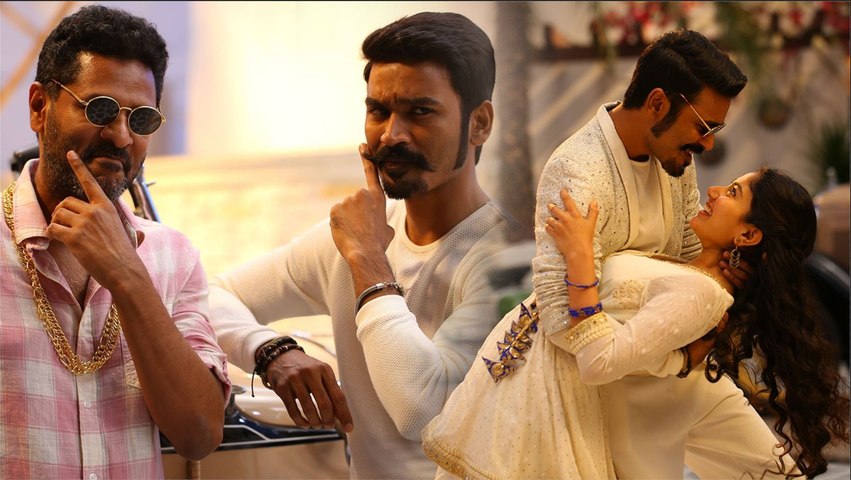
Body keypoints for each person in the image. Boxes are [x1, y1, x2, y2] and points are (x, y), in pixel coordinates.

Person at [208, 12, 512, 479]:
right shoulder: (349, 238)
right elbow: (208, 294)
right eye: (378, 111)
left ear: (480, 123)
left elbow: (422, 412)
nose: (391, 135)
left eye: (420, 112)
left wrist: (369, 260)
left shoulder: (509, 263)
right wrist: (270, 351)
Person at [423, 168, 849, 479]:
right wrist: (679, 360)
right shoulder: (684, 267)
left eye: (733, 192)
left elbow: (598, 360)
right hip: (595, 410)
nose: (715, 190)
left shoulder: (702, 292)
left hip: (629, 410)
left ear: (749, 235)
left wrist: (580, 258)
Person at [0, 6, 231, 478]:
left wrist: (128, 276)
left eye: (141, 119)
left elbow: (199, 435)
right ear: (40, 107)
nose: (121, 137)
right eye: (100, 109)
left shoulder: (172, 256)